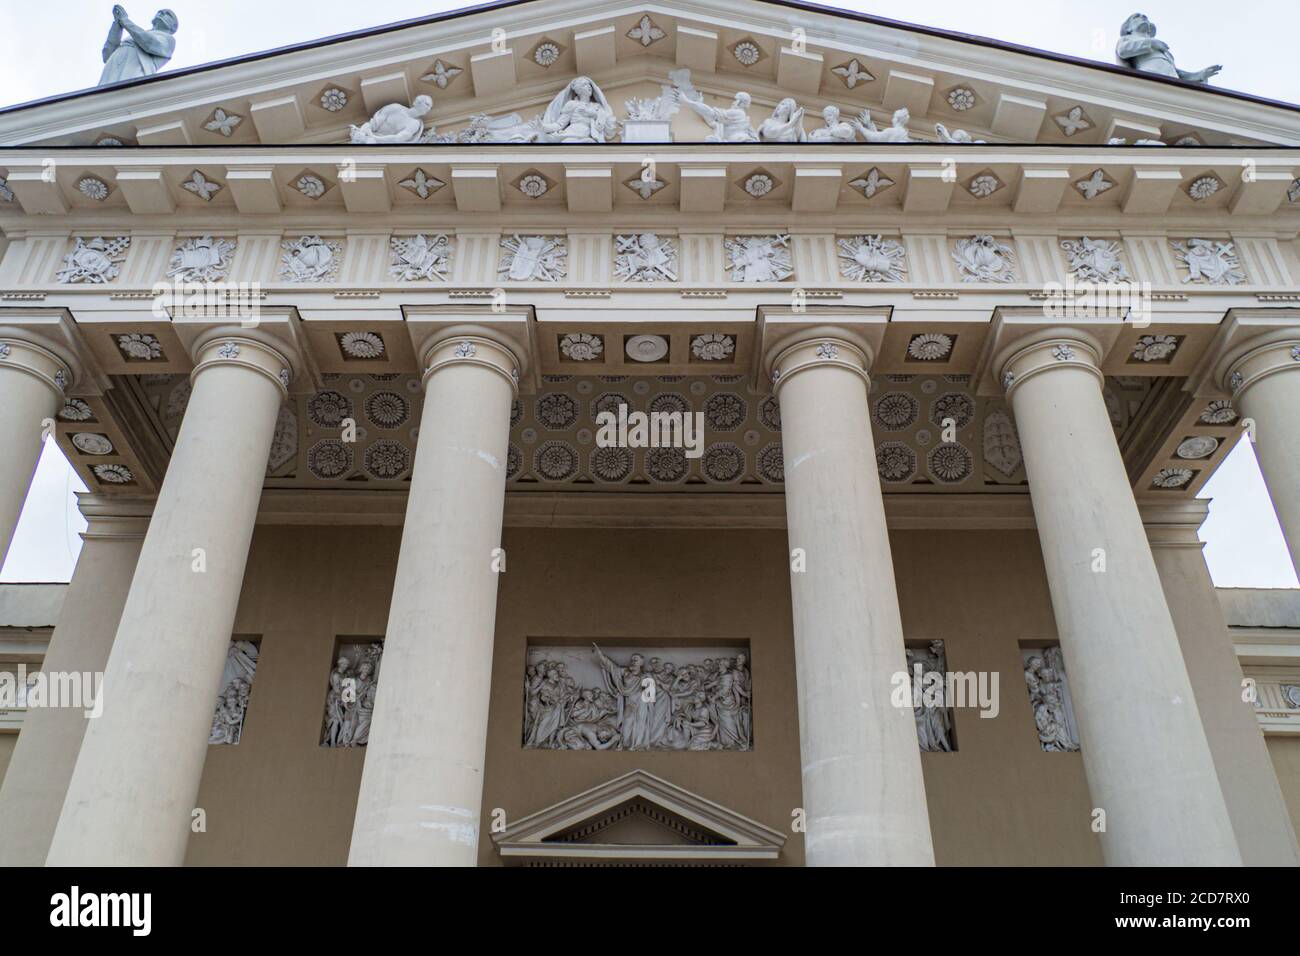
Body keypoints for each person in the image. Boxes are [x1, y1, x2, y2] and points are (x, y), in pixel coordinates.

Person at [99, 6, 177, 86]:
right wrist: (117, 24)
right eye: (160, 12)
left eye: (168, 14)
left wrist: (125, 21)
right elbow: (107, 55)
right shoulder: (134, 36)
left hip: (133, 72)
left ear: (173, 26)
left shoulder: (169, 39)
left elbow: (149, 44)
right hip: (112, 71)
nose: (161, 13)